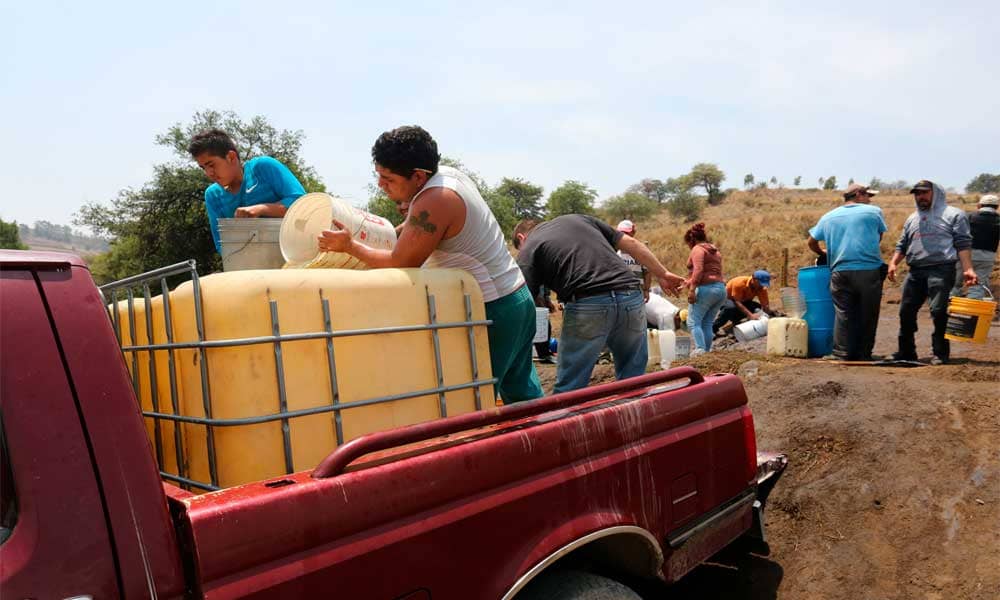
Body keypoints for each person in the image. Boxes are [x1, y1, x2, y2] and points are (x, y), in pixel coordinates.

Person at [318, 125, 543, 403]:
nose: (381, 184)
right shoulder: (446, 176)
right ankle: (550, 442)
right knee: (522, 395)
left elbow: (401, 262)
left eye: (388, 178)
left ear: (418, 176)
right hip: (516, 298)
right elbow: (418, 226)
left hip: (493, 310)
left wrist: (349, 246)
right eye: (378, 175)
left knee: (472, 400)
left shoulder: (436, 199)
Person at [513, 216, 685, 393]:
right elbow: (632, 243)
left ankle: (567, 418)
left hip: (587, 302)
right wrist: (663, 273)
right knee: (633, 380)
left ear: (521, 238)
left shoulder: (530, 246)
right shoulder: (579, 219)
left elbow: (524, 301)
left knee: (571, 385)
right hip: (631, 296)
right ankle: (631, 415)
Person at [887, 180, 977, 365]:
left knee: (939, 311)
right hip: (915, 271)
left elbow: (963, 243)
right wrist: (893, 263)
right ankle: (906, 351)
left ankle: (940, 353)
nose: (920, 197)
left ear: (936, 193)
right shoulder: (912, 218)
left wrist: (968, 268)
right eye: (917, 193)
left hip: (941, 269)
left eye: (925, 192)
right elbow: (903, 244)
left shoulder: (954, 215)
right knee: (906, 311)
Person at [188, 129, 306, 252]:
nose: (208, 173)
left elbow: (302, 205)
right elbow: (222, 244)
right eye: (203, 168)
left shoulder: (263, 167)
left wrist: (260, 209)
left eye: (211, 165)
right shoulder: (212, 196)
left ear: (231, 157)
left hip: (294, 255)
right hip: (252, 265)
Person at [807, 183, 889, 360]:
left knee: (843, 313)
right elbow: (879, 236)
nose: (869, 199)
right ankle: (864, 354)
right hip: (868, 270)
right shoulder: (873, 212)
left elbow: (811, 242)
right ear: (859, 194)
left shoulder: (828, 217)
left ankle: (841, 353)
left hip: (840, 271)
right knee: (868, 313)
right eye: (868, 195)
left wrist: (823, 253)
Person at [682, 223, 726, 355]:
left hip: (705, 290)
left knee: (693, 322)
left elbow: (699, 269)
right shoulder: (714, 251)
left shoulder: (697, 249)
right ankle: (707, 351)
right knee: (707, 322)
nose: (689, 246)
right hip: (720, 289)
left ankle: (700, 350)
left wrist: (692, 289)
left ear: (693, 240)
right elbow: (711, 272)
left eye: (688, 243)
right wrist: (688, 282)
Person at [950, 194, 998, 299]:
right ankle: (971, 308)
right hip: (986, 258)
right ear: (997, 207)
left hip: (964, 255)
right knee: (977, 285)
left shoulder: (968, 217)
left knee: (954, 282)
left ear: (979, 206)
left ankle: (947, 305)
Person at [713, 271, 776, 335]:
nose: (762, 286)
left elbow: (765, 306)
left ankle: (736, 319)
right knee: (730, 308)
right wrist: (750, 315)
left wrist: (771, 316)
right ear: (754, 279)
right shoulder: (739, 283)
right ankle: (713, 328)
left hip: (743, 301)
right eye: (761, 283)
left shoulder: (761, 288)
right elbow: (737, 302)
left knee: (758, 309)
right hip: (727, 299)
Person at [615, 220, 653, 300]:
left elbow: (647, 272)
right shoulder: (615, 253)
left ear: (633, 233)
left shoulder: (640, 253)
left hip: (638, 292)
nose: (624, 236)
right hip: (620, 292)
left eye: (626, 233)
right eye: (621, 233)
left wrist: (646, 290)